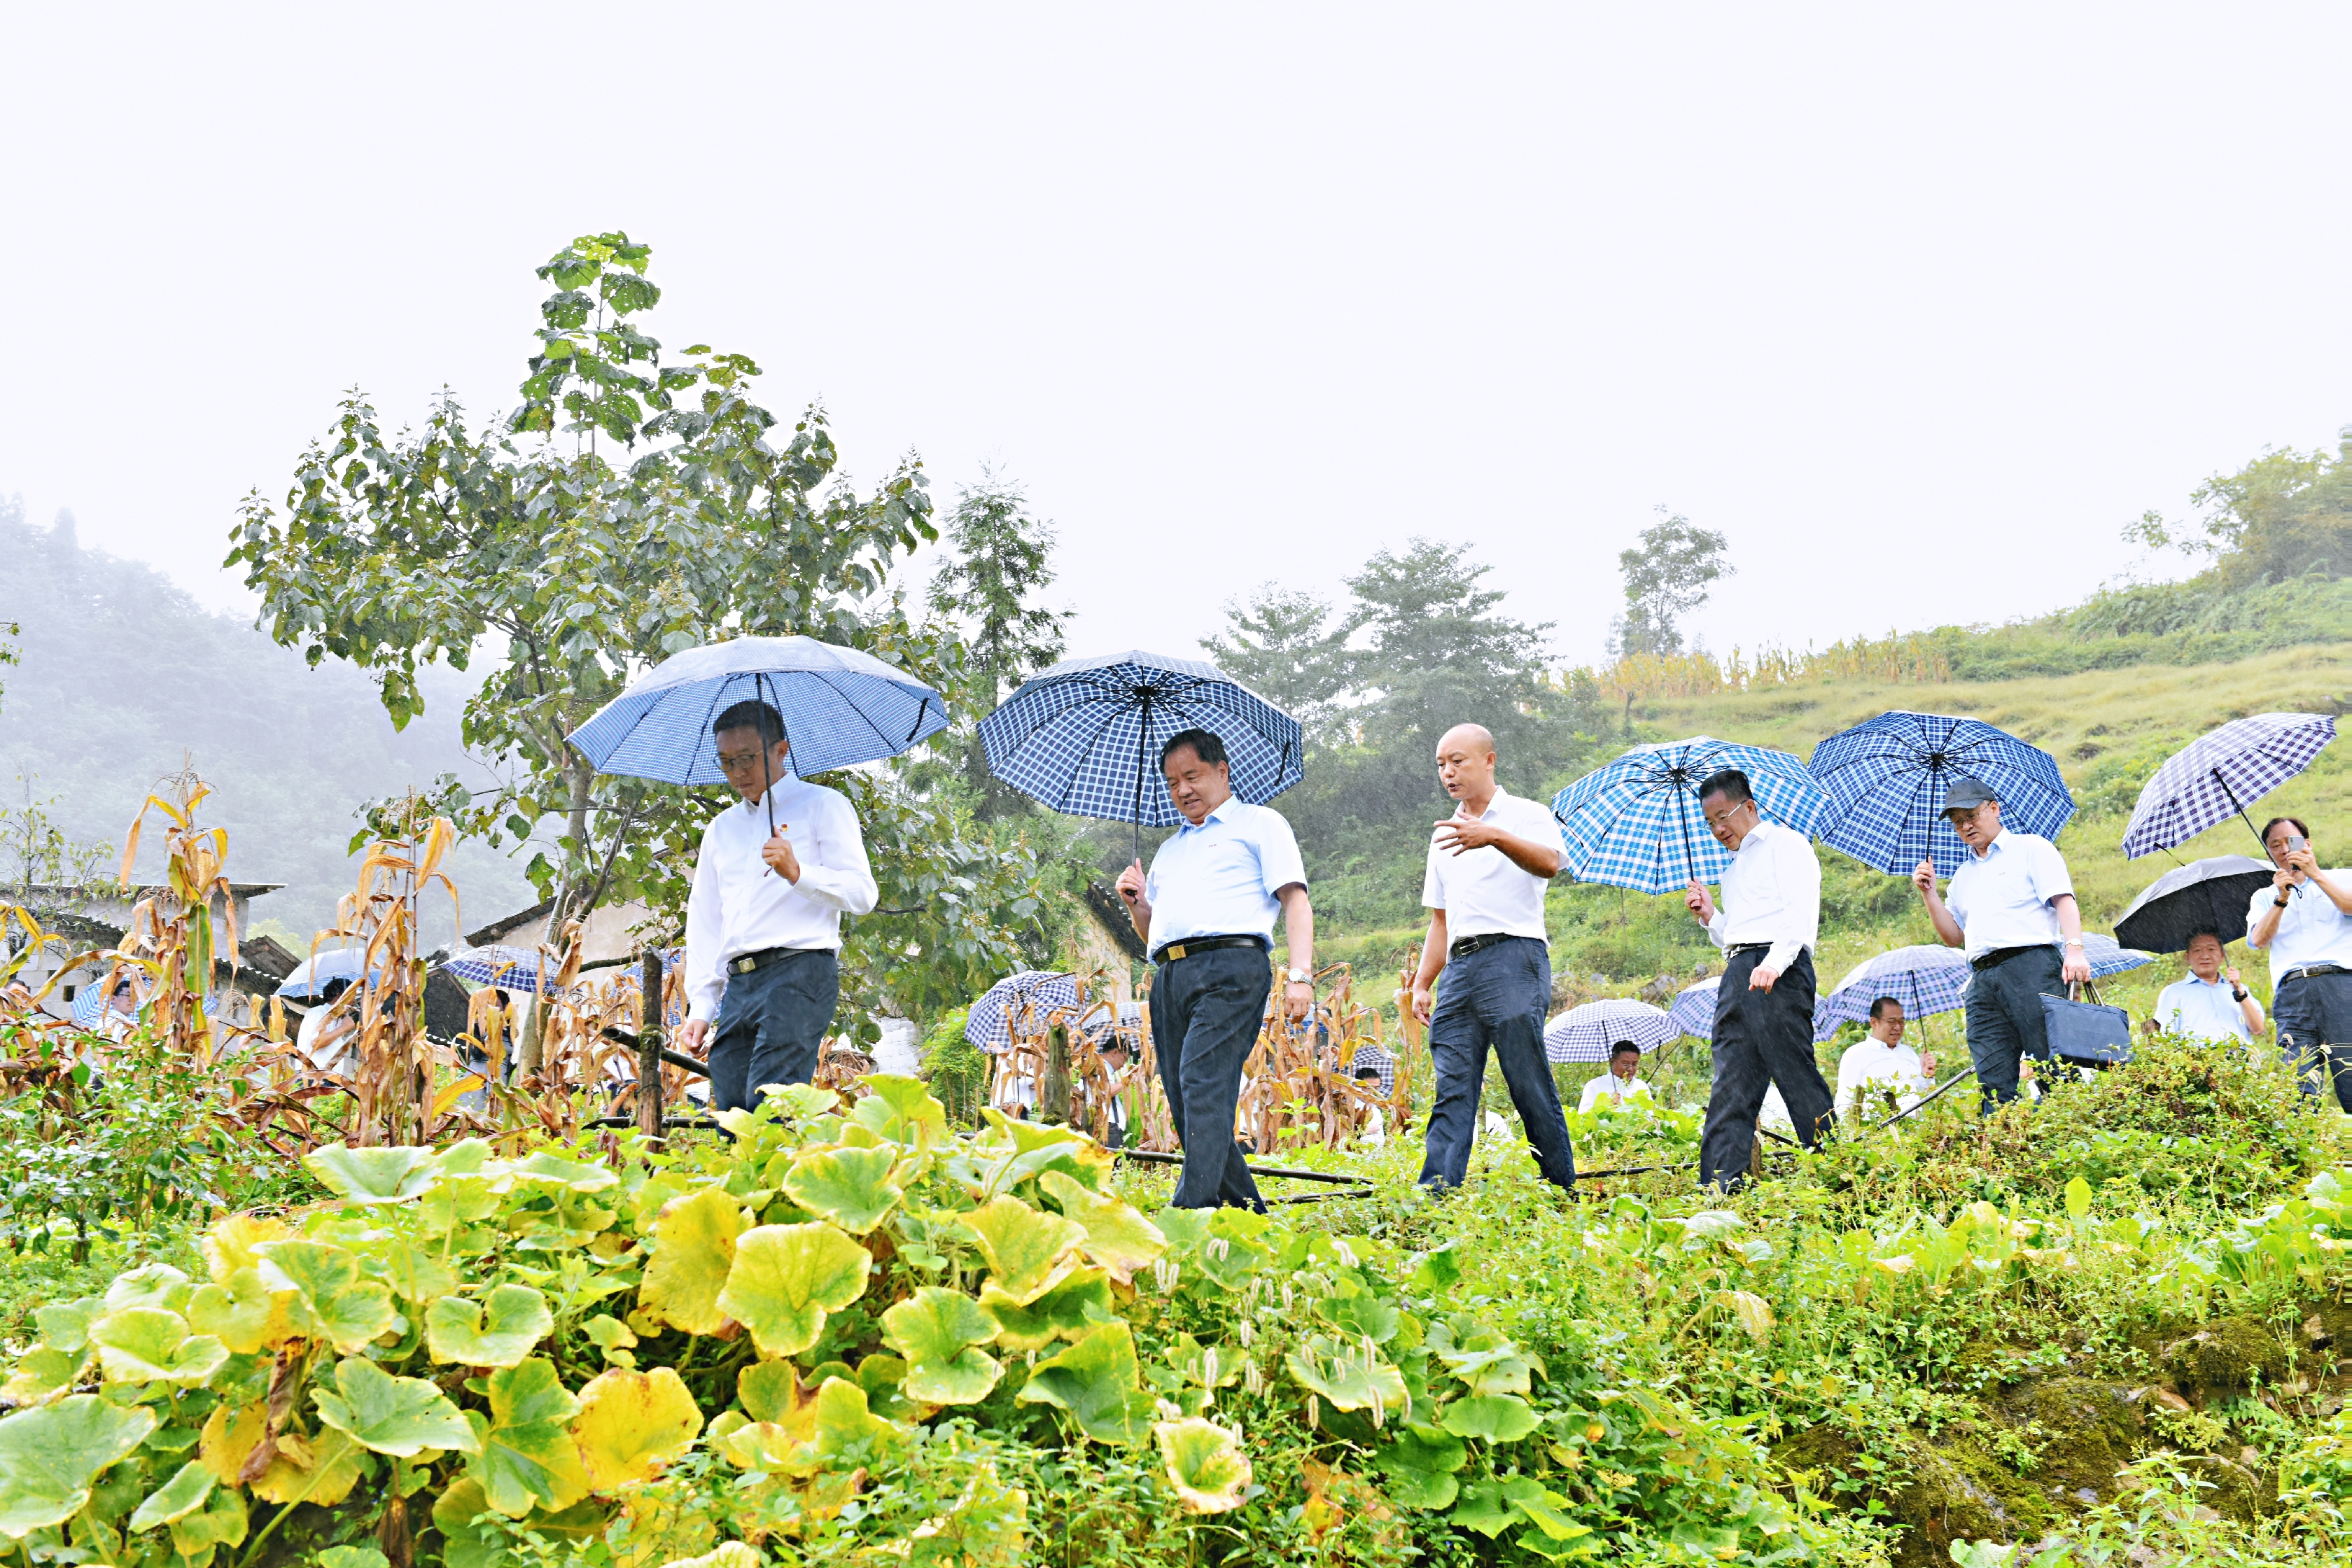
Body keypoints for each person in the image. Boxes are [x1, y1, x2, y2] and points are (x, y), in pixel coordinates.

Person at [1115, 728, 1314, 1210]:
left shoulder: (1260, 823)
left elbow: (1295, 900)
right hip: (1171, 975)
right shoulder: (1169, 850)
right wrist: (1137, 904)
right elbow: (1155, 934)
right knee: (1185, 1098)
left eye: (1192, 776)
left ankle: (1189, 1210)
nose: (1183, 790)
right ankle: (1247, 1210)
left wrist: (1301, 975)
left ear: (1222, 771)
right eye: (1172, 782)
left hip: (1231, 966)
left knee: (1202, 1079)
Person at [680, 699, 878, 1115]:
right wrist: (702, 1007)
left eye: (747, 758)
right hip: (739, 982)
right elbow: (705, 920)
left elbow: (863, 894)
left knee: (770, 1103)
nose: (738, 772)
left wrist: (798, 872)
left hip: (799, 970)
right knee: (732, 1107)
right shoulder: (721, 829)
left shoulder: (824, 805)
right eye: (726, 762)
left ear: (781, 749)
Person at [1408, 723, 1577, 1195]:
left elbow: (1550, 863)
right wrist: (1422, 983)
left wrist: (1493, 836)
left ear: (1489, 760)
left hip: (1513, 957)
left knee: (1527, 1081)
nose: (1448, 772)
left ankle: (1561, 1189)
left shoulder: (1527, 814)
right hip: (1459, 970)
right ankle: (1436, 1194)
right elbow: (1441, 920)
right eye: (1441, 764)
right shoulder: (1443, 836)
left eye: (1457, 761)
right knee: (1453, 1086)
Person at [1684, 768, 1834, 1189]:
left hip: (1778, 971)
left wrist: (1775, 962)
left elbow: (1799, 911)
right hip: (1738, 974)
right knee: (1731, 1080)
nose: (1718, 829)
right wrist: (1710, 915)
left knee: (1794, 1072)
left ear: (1749, 806)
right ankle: (1719, 1187)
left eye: (1723, 817)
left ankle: (1833, 1173)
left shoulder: (1787, 844)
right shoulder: (1732, 869)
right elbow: (1734, 938)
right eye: (1710, 822)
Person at [1910, 774, 2091, 1112]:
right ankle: (2001, 1135)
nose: (1966, 826)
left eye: (1972, 816)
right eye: (1958, 822)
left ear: (1994, 809)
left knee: (2051, 1062)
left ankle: (2073, 1128)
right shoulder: (1962, 876)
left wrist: (2075, 950)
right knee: (1991, 1073)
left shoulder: (2031, 848)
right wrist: (1929, 893)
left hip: (2031, 966)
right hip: (1982, 978)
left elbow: (2063, 900)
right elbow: (1954, 937)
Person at [2245, 815, 2352, 1107]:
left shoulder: (2343, 877)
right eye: (2274, 845)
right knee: (2298, 1087)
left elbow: (2349, 906)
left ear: (2307, 844)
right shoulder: (2264, 896)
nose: (2283, 849)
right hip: (2293, 994)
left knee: (2351, 1075)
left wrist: (2315, 873)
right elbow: (2258, 940)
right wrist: (2281, 898)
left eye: (2290, 841)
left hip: (2342, 986)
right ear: (2269, 854)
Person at [2153, 929, 2267, 1046]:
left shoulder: (2239, 989)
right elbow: (2164, 1038)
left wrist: (2239, 992)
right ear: (2187, 957)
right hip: (2197, 1056)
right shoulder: (2173, 993)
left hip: (2240, 1055)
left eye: (2211, 949)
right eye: (2197, 950)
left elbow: (2258, 1029)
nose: (2205, 956)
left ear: (2222, 955)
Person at [1834, 997, 1938, 1118]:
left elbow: (1925, 1097)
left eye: (1901, 1022)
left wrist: (1926, 1076)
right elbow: (1844, 1101)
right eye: (1892, 1022)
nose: (1898, 1027)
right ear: (1874, 1023)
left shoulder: (1909, 1053)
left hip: (1914, 1127)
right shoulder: (1856, 1054)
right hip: (1875, 1127)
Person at [1577, 1041, 1652, 1114]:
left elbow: (1650, 1114)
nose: (1631, 1069)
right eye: (1626, 1064)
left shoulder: (1641, 1086)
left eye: (1634, 1064)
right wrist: (1608, 1108)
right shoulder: (1594, 1086)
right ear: (1612, 1061)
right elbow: (1583, 1115)